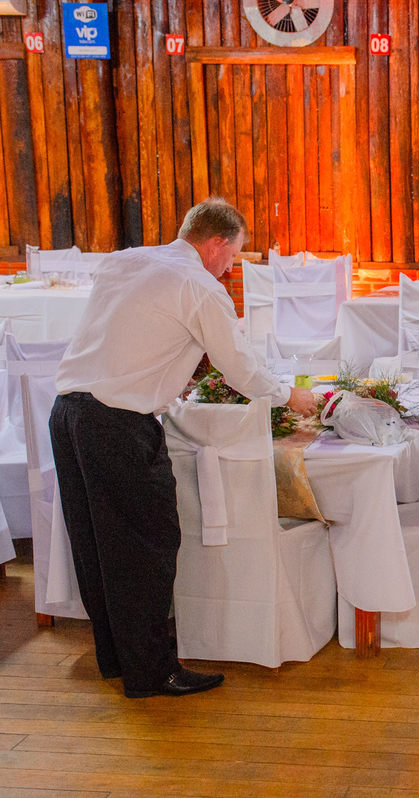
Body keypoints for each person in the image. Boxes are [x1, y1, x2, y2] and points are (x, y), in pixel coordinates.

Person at [50, 197, 319, 698]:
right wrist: (291, 395)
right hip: (117, 423)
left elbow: (135, 334)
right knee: (147, 547)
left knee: (96, 546)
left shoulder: (127, 260)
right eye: (233, 256)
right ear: (215, 242)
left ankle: (118, 659)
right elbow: (239, 365)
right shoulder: (198, 284)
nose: (230, 268)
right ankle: (153, 672)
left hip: (67, 415)